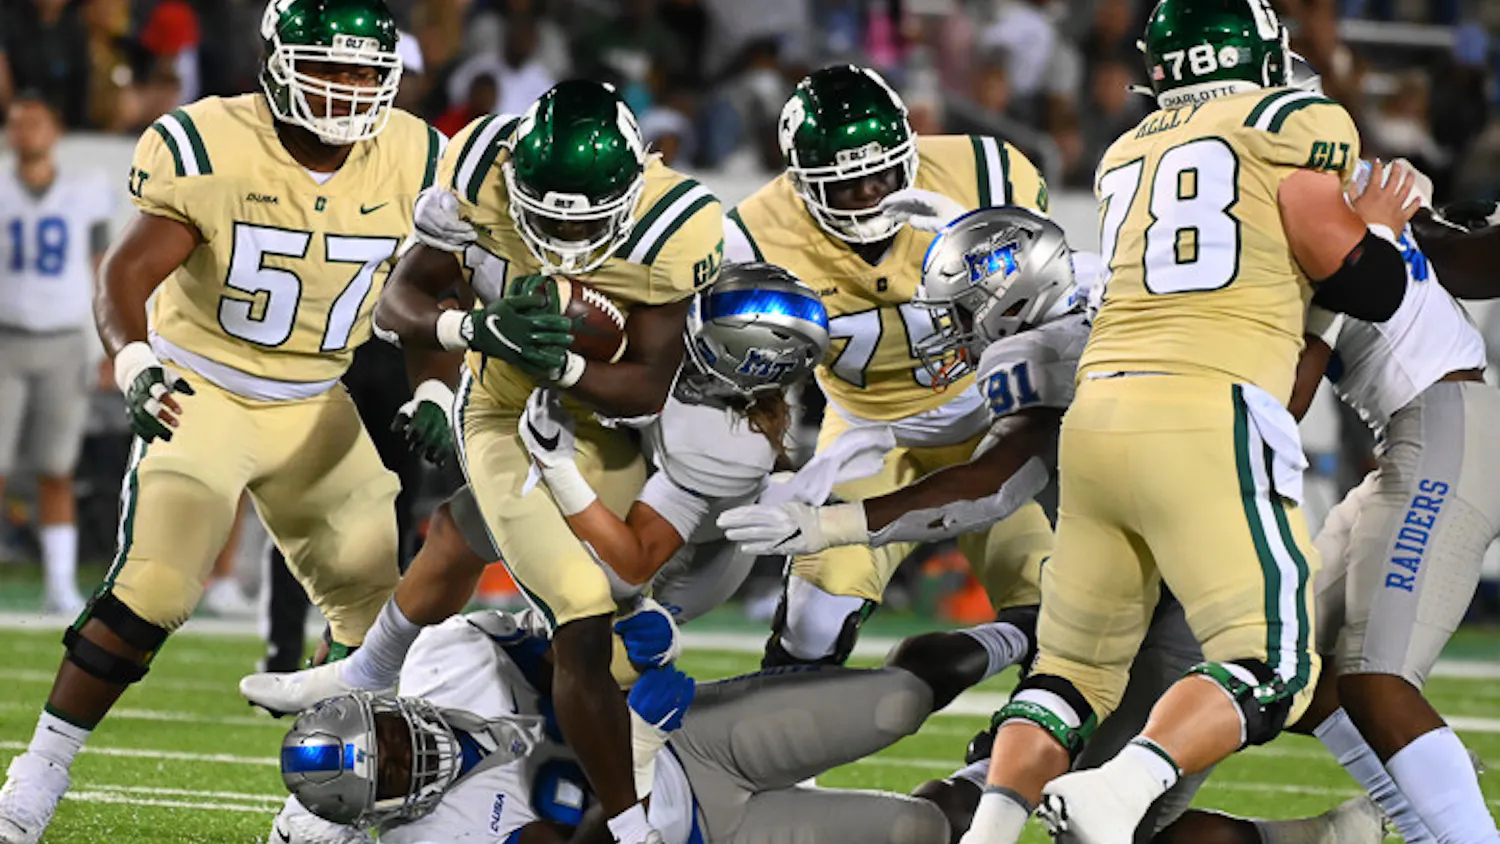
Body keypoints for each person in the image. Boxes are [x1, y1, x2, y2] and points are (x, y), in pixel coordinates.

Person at [951, 0, 1420, 840]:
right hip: (1206, 409)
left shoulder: (1128, 148)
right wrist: (1377, 227)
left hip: (1097, 416)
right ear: (1259, 54)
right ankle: (1121, 789)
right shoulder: (1290, 119)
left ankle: (988, 831)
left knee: (1068, 675)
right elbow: (1362, 282)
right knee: (1273, 665)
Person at [0, 0, 443, 839]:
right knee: (153, 590)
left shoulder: (417, 157)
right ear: (276, 64)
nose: (348, 90)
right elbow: (124, 273)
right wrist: (135, 359)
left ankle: (317, 801)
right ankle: (42, 767)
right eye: (328, 67)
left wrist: (434, 389)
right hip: (202, 389)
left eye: (363, 72)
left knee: (382, 617)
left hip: (317, 400)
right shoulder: (211, 142)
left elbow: (430, 290)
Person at [241, 80, 723, 844]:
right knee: (579, 610)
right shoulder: (475, 168)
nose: (565, 244)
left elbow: (649, 385)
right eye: (546, 218)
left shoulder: (681, 226)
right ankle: (631, 829)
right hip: (501, 407)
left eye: (588, 221)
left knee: (502, 550)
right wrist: (472, 328)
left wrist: (563, 370)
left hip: (614, 428)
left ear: (632, 190)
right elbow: (397, 302)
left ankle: (370, 675)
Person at [723, 64, 1055, 669]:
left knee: (1062, 618)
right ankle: (789, 760)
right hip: (867, 432)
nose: (873, 194)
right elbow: (748, 380)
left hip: (996, 418)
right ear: (801, 184)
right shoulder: (755, 236)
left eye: (883, 173)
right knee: (812, 621)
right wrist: (772, 468)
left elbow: (1053, 308)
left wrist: (974, 238)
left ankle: (1001, 750)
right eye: (847, 186)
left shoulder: (985, 172)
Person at [271, 608, 1037, 844]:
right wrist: (631, 745)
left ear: (387, 704)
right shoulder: (435, 840)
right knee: (919, 834)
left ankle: (1031, 633)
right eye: (398, 774)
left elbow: (569, 647)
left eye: (395, 739)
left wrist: (628, 656)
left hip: (694, 737)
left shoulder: (449, 653)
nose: (417, 754)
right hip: (696, 836)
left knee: (894, 703)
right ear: (381, 813)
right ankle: (1001, 761)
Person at [519, 262, 837, 623]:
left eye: (706, 313)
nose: (685, 311)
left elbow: (629, 571)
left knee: (604, 622)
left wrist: (556, 466)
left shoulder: (726, 444)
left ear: (735, 355)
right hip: (645, 463)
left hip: (694, 555)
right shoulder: (707, 375)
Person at [0, 91, 113, 616]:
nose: (27, 134)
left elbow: (101, 269)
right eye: (18, 124)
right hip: (5, 338)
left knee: (57, 466)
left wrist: (113, 343)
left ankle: (59, 583)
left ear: (56, 131)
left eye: (36, 123)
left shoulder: (84, 190)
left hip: (64, 339)